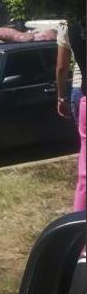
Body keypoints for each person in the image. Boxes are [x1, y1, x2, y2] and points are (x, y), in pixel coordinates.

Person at [56, 19, 86, 212]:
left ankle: (79, 227)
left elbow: (61, 67)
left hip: (80, 89)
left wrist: (60, 96)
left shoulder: (68, 23)